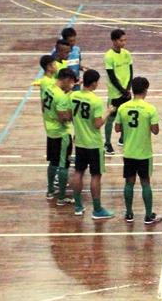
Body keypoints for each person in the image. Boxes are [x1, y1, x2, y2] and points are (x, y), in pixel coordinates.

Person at [69, 69, 116, 219]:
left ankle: (78, 205)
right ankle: (97, 209)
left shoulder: (74, 95)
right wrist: (108, 112)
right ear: (94, 83)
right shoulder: (95, 101)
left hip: (80, 142)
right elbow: (97, 124)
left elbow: (70, 115)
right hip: (94, 144)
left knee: (78, 172)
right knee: (96, 175)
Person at [115, 77, 161, 225]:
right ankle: (148, 215)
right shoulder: (150, 109)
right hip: (144, 153)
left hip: (128, 152)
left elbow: (117, 128)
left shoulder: (123, 107)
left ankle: (129, 213)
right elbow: (155, 131)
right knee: (145, 183)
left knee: (129, 183)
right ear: (146, 90)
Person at [41, 68, 76, 205]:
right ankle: (61, 197)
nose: (71, 85)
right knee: (63, 165)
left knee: (53, 162)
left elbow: (44, 107)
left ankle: (50, 191)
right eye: (71, 82)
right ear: (66, 79)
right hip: (62, 134)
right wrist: (72, 111)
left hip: (50, 131)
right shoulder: (61, 96)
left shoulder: (48, 89)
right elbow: (64, 118)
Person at [104, 29, 133, 155]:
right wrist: (122, 90)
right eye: (121, 40)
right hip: (115, 94)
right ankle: (107, 143)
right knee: (110, 119)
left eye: (125, 40)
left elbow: (131, 71)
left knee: (125, 117)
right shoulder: (109, 56)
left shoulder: (127, 54)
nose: (124, 42)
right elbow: (112, 76)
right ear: (114, 41)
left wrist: (128, 88)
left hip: (126, 92)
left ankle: (122, 138)